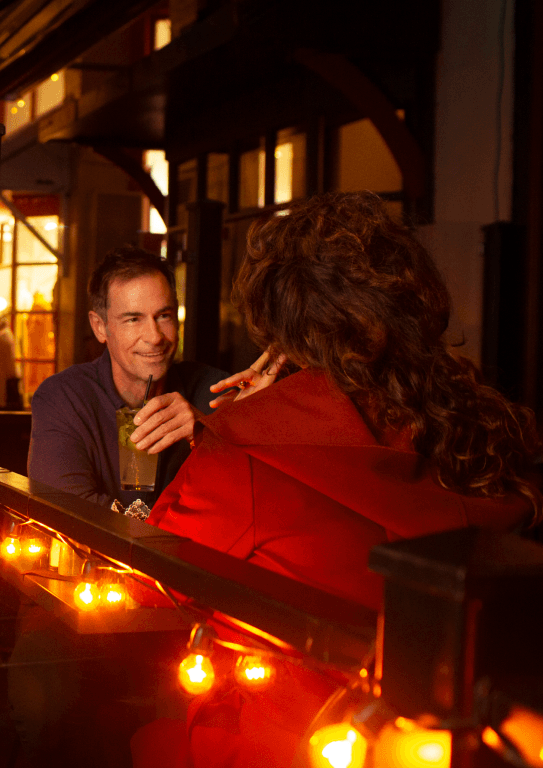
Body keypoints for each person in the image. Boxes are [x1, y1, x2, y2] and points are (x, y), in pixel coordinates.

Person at [130, 192, 541, 768]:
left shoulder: (246, 449)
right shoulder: (479, 429)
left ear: (277, 324)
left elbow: (150, 581)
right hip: (454, 743)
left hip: (292, 742)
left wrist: (246, 421)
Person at [27, 245, 228, 508]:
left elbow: (254, 506)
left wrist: (209, 438)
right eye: (134, 319)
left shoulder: (219, 392)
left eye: (164, 316)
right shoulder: (63, 398)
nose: (155, 337)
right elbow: (67, 511)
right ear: (101, 327)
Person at [0, 315, 22, 410]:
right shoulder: (7, 335)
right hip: (5, 370)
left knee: (3, 395)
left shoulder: (3, 336)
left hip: (3, 371)